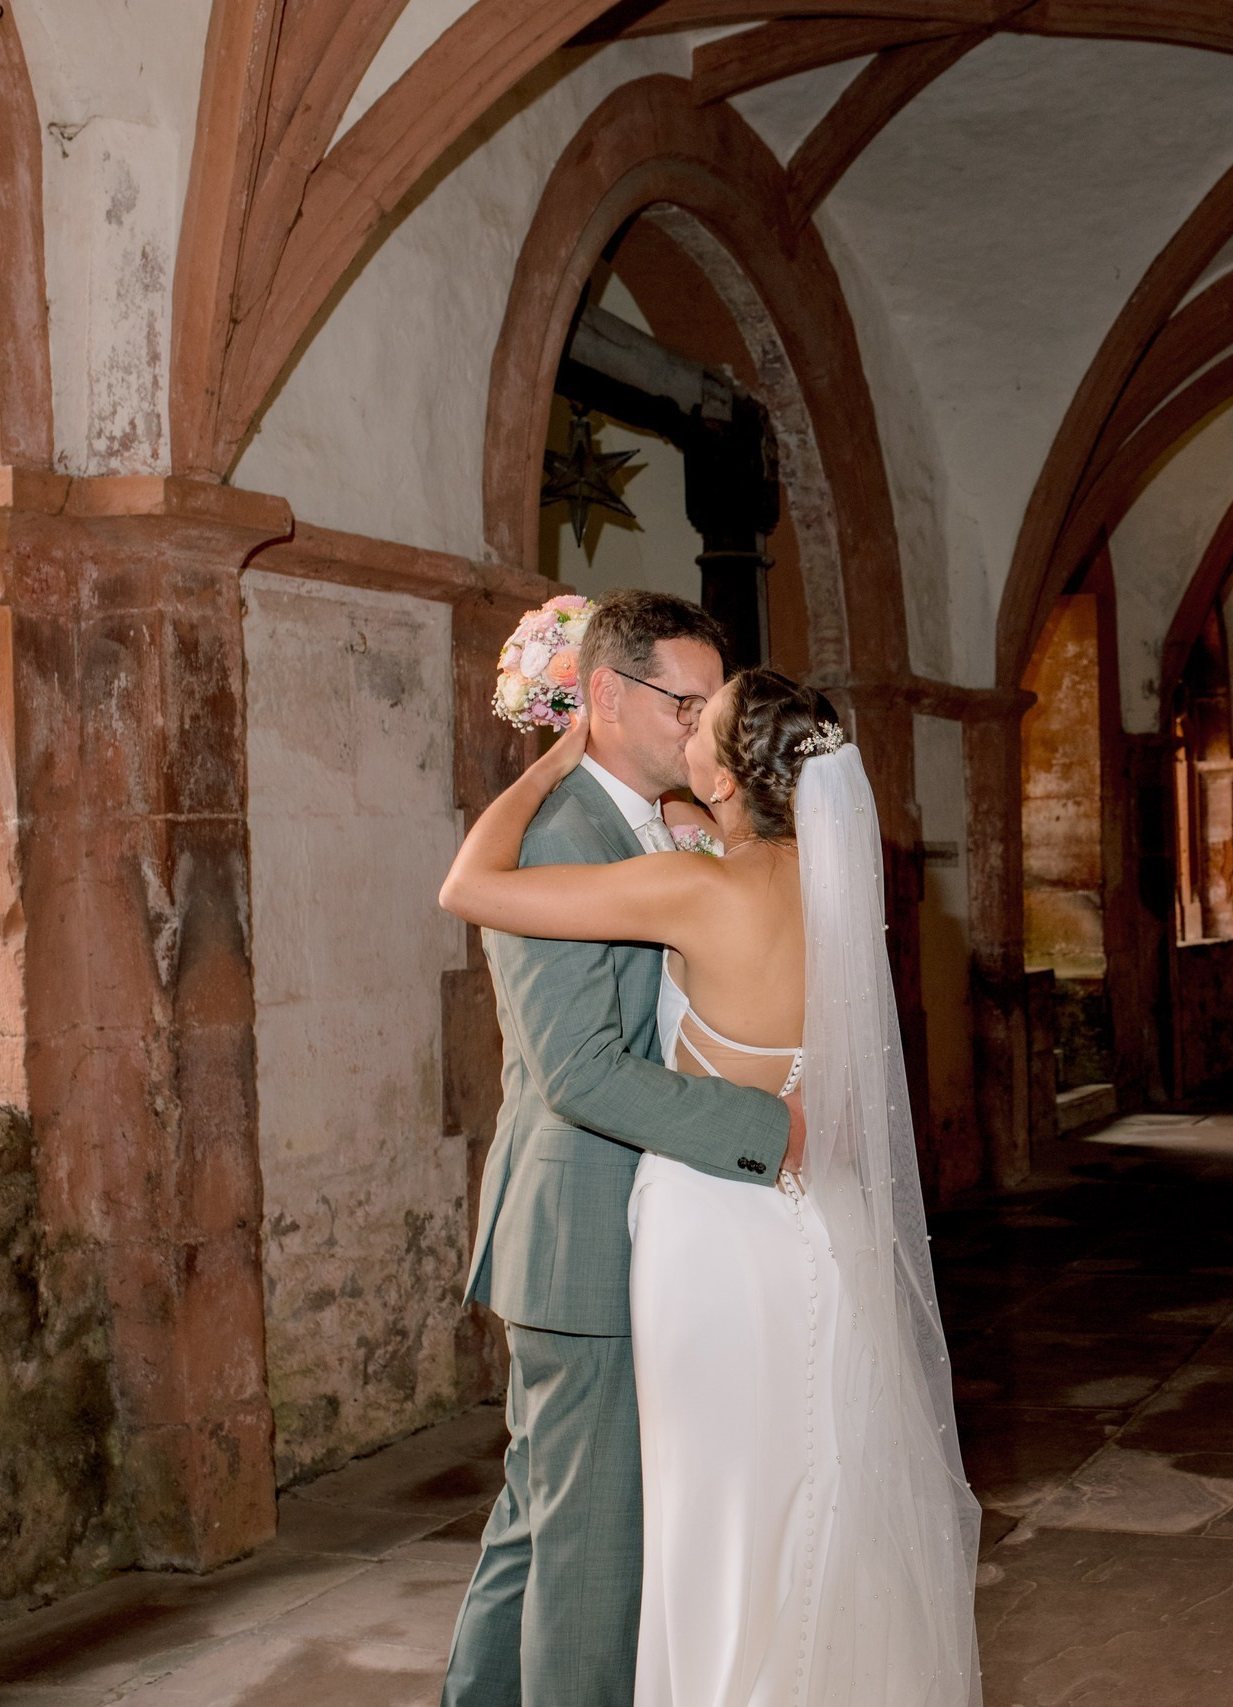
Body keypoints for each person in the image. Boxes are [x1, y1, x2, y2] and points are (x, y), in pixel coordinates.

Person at [441, 661, 982, 1707]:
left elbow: (470, 885)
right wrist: (699, 814)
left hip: (709, 1234)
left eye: (705, 726)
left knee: (711, 1505)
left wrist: (553, 759)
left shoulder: (696, 889)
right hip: (815, 1228)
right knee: (810, 1489)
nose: (685, 734)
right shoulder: (832, 893)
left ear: (732, 779)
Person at [440, 593, 801, 1707]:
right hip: (581, 1237)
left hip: (619, 1229)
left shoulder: (658, 824)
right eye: (683, 706)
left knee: (541, 1519)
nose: (701, 734)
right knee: (594, 1555)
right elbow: (579, 1072)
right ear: (603, 697)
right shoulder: (560, 837)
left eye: (708, 709)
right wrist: (766, 1130)